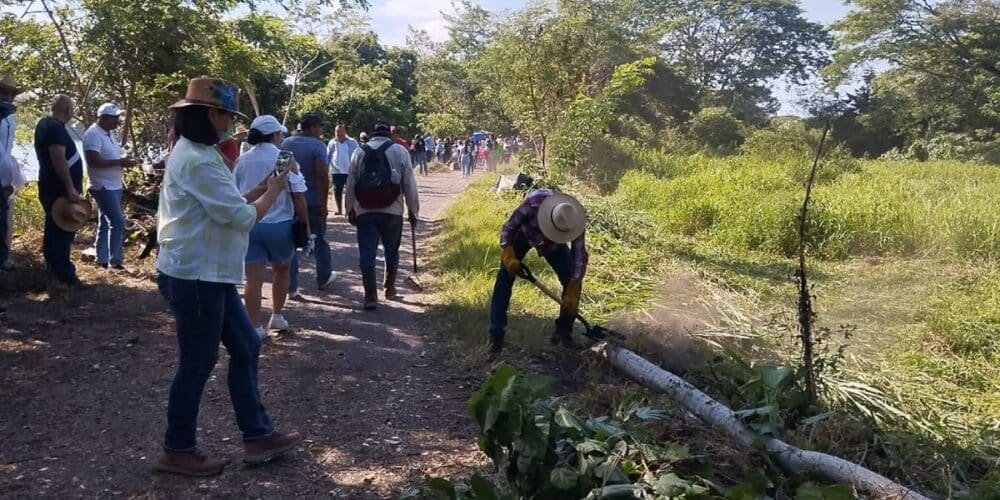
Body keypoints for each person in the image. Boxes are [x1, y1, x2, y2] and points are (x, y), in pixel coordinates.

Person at [155, 77, 301, 476]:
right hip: (195, 277)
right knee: (197, 364)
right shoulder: (199, 160)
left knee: (247, 345)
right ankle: (177, 448)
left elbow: (229, 201)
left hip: (209, 274)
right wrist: (276, 190)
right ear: (208, 114)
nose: (228, 124)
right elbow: (239, 217)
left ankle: (257, 434)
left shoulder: (198, 152)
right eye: (224, 115)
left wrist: (260, 187)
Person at [488, 189, 588, 358]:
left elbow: (579, 255)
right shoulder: (532, 206)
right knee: (504, 279)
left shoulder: (573, 220)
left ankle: (563, 332)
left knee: (570, 278)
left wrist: (574, 285)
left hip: (554, 247)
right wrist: (509, 255)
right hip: (524, 234)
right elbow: (508, 228)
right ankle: (496, 337)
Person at [234, 115, 309, 339]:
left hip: (251, 221)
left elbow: (235, 192)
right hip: (280, 224)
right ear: (275, 135)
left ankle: (254, 326)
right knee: (282, 269)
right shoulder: (285, 159)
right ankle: (276, 314)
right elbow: (298, 196)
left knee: (253, 278)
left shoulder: (243, 159)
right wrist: (306, 225)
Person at [345, 121, 419, 310]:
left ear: (371, 134)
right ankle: (390, 288)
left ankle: (370, 296)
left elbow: (351, 183)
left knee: (367, 252)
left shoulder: (359, 152)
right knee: (391, 251)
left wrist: (349, 209)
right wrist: (413, 210)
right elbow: (409, 184)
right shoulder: (400, 151)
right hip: (392, 210)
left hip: (365, 210)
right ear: (389, 134)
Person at [34, 95, 86, 287]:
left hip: (54, 189)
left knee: (56, 231)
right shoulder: (54, 127)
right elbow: (59, 160)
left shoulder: (47, 125)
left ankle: (55, 272)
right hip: (59, 192)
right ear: (68, 110)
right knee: (62, 232)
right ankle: (64, 275)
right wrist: (70, 188)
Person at [283, 112, 336, 296]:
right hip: (312, 200)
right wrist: (324, 203)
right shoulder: (318, 145)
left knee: (290, 242)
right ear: (313, 127)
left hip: (289, 201)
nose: (321, 130)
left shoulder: (285, 143)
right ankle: (324, 277)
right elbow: (322, 174)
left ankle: (291, 286)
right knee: (319, 238)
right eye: (320, 127)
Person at [83, 103, 137, 270]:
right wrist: (120, 162)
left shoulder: (109, 134)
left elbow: (116, 154)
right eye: (115, 118)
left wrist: (127, 160)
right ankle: (115, 261)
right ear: (104, 118)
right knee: (118, 222)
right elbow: (94, 161)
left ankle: (102, 259)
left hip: (113, 184)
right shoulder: (93, 134)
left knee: (105, 222)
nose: (118, 121)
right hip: (102, 185)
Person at [0, 75, 24, 271]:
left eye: (10, 93)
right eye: (3, 92)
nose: (7, 97)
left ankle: (5, 257)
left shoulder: (11, 117)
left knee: (7, 218)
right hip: (2, 174)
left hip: (7, 171)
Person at [326, 123, 358, 216]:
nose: (338, 133)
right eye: (336, 131)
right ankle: (339, 210)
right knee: (337, 191)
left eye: (340, 131)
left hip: (350, 171)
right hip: (337, 171)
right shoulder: (332, 143)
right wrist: (326, 168)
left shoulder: (352, 142)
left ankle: (349, 210)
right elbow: (328, 156)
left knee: (350, 192)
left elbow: (357, 154)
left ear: (345, 132)